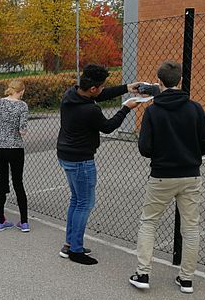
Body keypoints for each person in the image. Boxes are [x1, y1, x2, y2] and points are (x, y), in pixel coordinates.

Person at [129, 61, 205, 294]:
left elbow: (145, 148)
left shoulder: (153, 111)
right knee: (191, 228)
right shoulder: (194, 108)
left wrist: (164, 153)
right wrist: (190, 154)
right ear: (179, 81)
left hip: (161, 176)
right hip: (190, 175)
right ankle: (186, 279)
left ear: (159, 82)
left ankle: (143, 273)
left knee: (149, 222)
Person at [56, 64, 141, 264]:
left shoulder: (71, 94)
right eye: (101, 87)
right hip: (81, 160)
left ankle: (70, 243)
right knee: (85, 203)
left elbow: (99, 95)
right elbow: (109, 127)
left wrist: (127, 87)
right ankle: (75, 250)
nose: (102, 90)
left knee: (76, 200)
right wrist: (125, 109)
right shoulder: (90, 110)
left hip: (66, 155)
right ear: (93, 89)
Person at [0, 79, 30, 232]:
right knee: (18, 183)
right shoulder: (22, 106)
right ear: (22, 91)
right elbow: (22, 130)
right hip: (16, 147)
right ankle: (24, 221)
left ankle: (0, 221)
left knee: (2, 182)